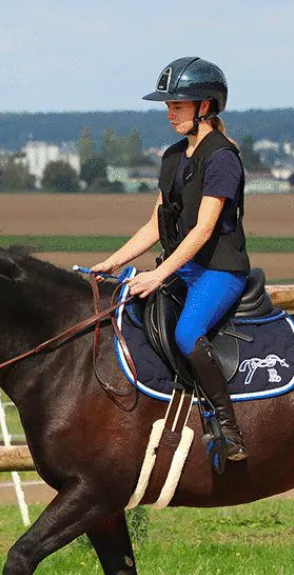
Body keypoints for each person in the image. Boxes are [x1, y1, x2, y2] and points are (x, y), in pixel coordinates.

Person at [92, 57, 251, 461]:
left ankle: (228, 427)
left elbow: (202, 229)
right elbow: (154, 226)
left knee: (186, 333)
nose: (168, 114)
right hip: (184, 266)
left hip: (219, 270)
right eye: (167, 106)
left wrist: (159, 273)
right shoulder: (173, 157)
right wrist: (111, 262)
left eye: (176, 106)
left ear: (205, 106)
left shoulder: (223, 159)